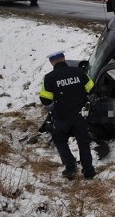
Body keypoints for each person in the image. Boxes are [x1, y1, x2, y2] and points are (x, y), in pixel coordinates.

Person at [39, 51, 96, 180]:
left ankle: (71, 167)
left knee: (59, 139)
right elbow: (92, 89)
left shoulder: (49, 78)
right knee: (83, 142)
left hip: (62, 116)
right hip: (80, 114)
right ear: (64, 58)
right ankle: (89, 172)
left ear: (52, 62)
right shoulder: (79, 72)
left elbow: (45, 100)